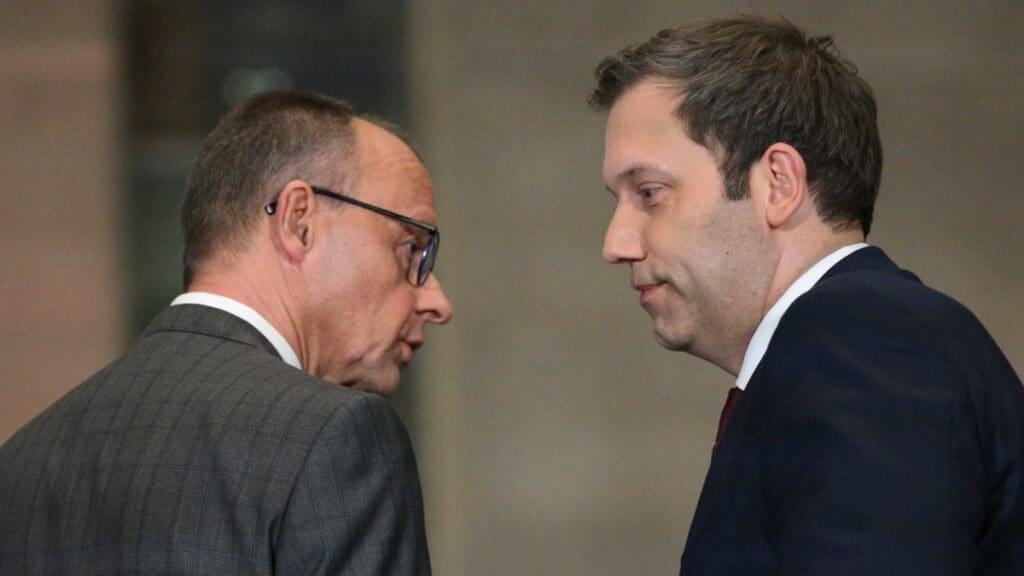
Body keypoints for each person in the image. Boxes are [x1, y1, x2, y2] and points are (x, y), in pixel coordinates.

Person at [591, 16, 1023, 575]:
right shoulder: (843, 346)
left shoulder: (863, 338)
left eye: (649, 193)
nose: (615, 243)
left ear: (779, 184)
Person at [0, 91, 452, 575]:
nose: (437, 303)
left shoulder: (19, 463)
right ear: (300, 221)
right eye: (412, 250)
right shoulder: (335, 438)